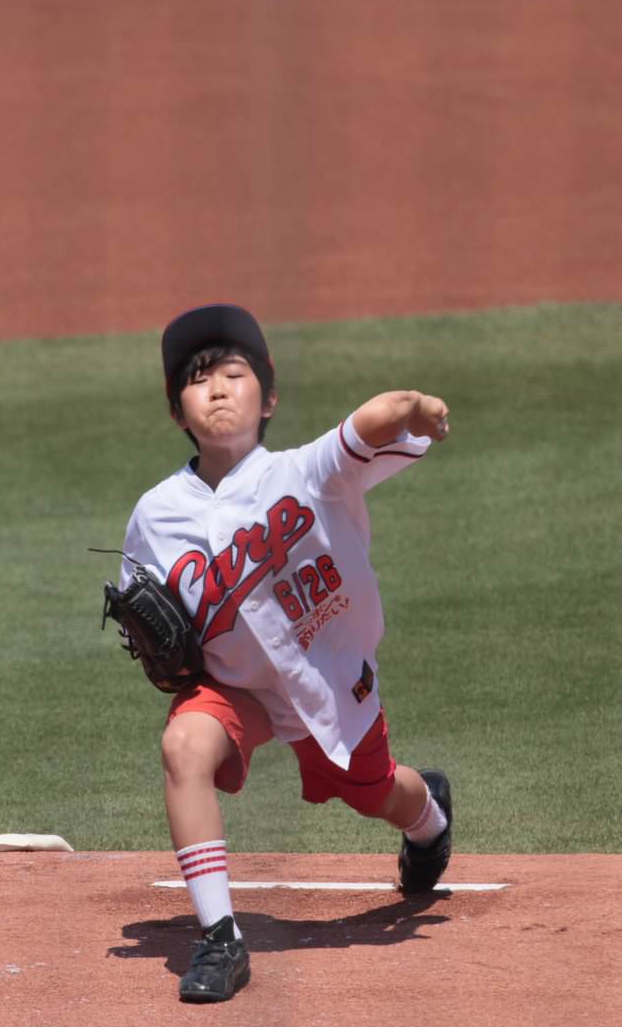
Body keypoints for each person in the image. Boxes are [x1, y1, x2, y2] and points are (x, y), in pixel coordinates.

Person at [119, 303, 453, 1003]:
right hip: (234, 686)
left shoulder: (308, 472)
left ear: (268, 399)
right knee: (183, 746)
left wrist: (416, 406)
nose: (216, 389)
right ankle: (220, 939)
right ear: (176, 411)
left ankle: (430, 819)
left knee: (376, 793)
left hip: (324, 681)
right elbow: (149, 618)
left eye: (233, 374)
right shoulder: (155, 514)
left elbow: (374, 418)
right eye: (196, 380)